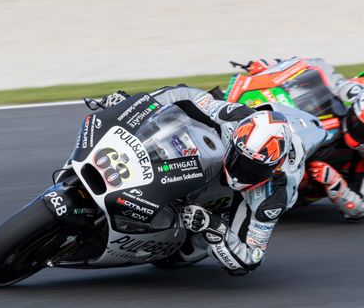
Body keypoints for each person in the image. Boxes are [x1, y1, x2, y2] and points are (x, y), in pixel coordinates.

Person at [103, 85, 327, 275]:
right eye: (242, 160)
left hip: (249, 197)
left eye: (254, 169)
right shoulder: (235, 118)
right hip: (222, 148)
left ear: (274, 168)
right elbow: (185, 94)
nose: (243, 172)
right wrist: (137, 104)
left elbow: (250, 259)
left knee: (180, 255)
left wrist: (213, 227)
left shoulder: (273, 197)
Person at [238, 57, 364, 220]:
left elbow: (361, 208)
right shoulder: (351, 91)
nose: (356, 133)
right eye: (355, 121)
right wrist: (271, 67)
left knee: (325, 169)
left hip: (346, 167)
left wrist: (334, 182)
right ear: (355, 106)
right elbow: (314, 65)